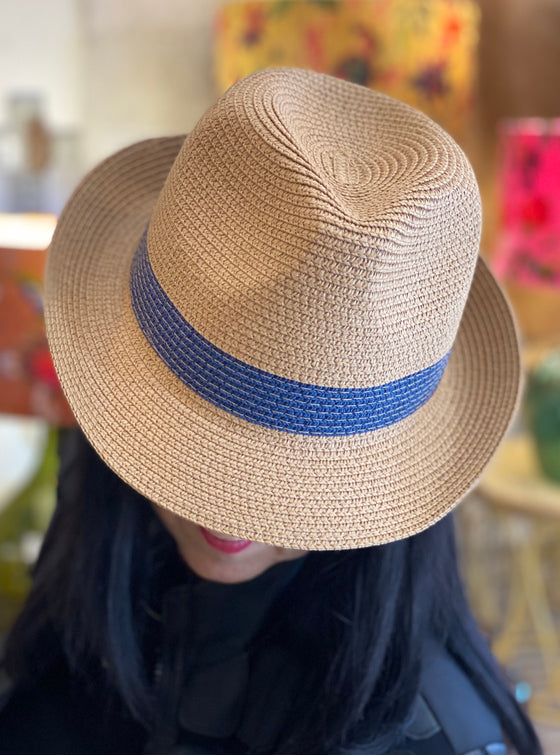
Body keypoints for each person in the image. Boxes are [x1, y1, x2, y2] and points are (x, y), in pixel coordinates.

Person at [0, 68, 541, 754]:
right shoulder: (102, 537)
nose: (225, 514)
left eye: (285, 478)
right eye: (196, 434)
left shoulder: (430, 736)